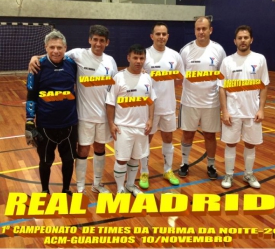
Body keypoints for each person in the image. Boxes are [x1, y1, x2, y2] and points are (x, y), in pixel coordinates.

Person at [29, 25, 118, 194]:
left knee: (100, 148)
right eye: (95, 39)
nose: (98, 43)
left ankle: (97, 184)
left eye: (102, 40)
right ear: (89, 40)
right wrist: (35, 57)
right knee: (82, 150)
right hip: (83, 115)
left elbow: (117, 85)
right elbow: (55, 52)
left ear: (107, 42)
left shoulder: (111, 61)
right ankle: (80, 187)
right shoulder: (77, 54)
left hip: (104, 116)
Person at [25, 30, 78, 195]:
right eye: (52, 47)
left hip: (69, 122)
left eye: (59, 47)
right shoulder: (37, 67)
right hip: (45, 124)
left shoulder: (72, 64)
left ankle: (66, 189)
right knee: (46, 161)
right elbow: (31, 95)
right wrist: (29, 121)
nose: (56, 51)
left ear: (65, 48)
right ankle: (45, 190)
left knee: (69, 160)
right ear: (45, 48)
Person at [218, 25, 269, 189]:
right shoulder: (227, 61)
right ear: (235, 41)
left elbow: (264, 85)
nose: (243, 40)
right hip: (233, 112)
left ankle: (248, 174)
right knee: (231, 144)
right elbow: (222, 87)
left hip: (252, 111)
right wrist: (224, 111)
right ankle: (229, 174)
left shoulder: (260, 59)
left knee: (250, 144)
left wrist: (261, 109)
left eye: (246, 37)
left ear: (251, 40)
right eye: (240, 38)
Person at [178, 16, 226, 179]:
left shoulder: (218, 50)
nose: (201, 32)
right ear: (194, 31)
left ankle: (211, 165)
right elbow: (179, 74)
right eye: (198, 29)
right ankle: (184, 163)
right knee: (188, 134)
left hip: (211, 102)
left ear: (210, 30)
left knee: (210, 135)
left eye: (204, 29)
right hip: (190, 101)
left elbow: (223, 76)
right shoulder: (186, 50)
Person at [139, 22, 184, 189]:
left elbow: (180, 79)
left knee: (168, 138)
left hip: (169, 106)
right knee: (146, 140)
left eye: (164, 34)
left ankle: (168, 170)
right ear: (152, 36)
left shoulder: (175, 56)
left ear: (168, 36)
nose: (161, 37)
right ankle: (144, 171)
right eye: (158, 34)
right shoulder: (144, 55)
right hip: (149, 108)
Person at [106, 44, 156, 195]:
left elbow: (151, 100)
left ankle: (130, 185)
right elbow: (110, 103)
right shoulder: (118, 77)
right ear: (129, 58)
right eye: (135, 57)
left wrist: (150, 120)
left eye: (141, 58)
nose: (138, 61)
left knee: (135, 158)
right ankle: (120, 188)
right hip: (123, 127)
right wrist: (111, 124)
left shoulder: (147, 77)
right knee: (121, 160)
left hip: (141, 126)